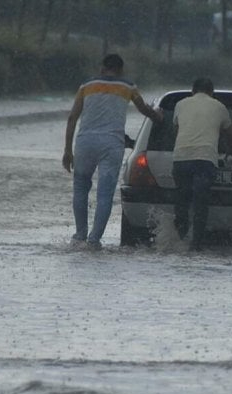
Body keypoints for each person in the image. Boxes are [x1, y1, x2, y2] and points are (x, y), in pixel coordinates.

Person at [62, 54, 162, 250]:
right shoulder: (128, 86)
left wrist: (67, 150)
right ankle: (93, 241)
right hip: (112, 144)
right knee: (105, 194)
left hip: (85, 143)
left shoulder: (86, 85)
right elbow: (143, 109)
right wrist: (157, 117)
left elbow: (72, 118)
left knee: (81, 188)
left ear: (102, 68)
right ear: (121, 69)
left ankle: (79, 236)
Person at [171, 77, 232, 251]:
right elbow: (230, 135)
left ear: (192, 91)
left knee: (182, 200)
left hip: (180, 158)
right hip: (204, 160)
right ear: (212, 92)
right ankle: (196, 244)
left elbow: (176, 130)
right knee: (200, 203)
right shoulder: (219, 107)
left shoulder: (180, 104)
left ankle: (179, 239)